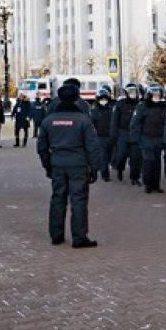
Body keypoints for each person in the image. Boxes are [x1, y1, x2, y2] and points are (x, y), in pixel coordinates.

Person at [37, 82, 105, 248]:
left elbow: (42, 147)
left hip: (57, 165)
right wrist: (94, 168)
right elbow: (92, 146)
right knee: (79, 201)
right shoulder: (83, 120)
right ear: (77, 98)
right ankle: (79, 237)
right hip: (79, 166)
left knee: (57, 199)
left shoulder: (48, 121)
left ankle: (56, 235)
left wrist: (48, 166)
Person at [130, 83, 166, 193]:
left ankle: (156, 185)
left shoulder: (164, 106)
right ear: (149, 95)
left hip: (159, 138)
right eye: (154, 94)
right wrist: (135, 138)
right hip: (146, 138)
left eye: (158, 94)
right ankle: (148, 184)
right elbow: (135, 122)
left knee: (157, 162)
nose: (156, 96)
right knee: (148, 161)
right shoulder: (142, 106)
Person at [110, 83, 143, 185]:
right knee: (121, 155)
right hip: (122, 133)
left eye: (134, 92)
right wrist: (113, 134)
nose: (132, 94)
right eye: (130, 92)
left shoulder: (141, 104)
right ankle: (120, 169)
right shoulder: (120, 103)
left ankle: (135, 178)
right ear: (126, 93)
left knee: (136, 157)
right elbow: (114, 120)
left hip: (136, 134)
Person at [88, 86, 115, 181]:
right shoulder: (94, 110)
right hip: (100, 137)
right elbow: (91, 124)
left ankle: (105, 166)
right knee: (103, 156)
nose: (103, 101)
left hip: (111, 136)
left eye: (105, 99)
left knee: (110, 156)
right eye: (101, 99)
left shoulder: (112, 110)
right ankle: (105, 175)